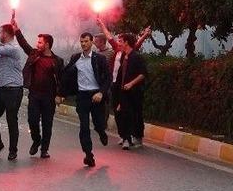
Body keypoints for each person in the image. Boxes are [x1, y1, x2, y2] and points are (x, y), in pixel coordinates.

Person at [12, 20, 65, 158]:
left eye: (40, 42)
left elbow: (62, 80)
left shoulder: (57, 61)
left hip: (49, 97)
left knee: (47, 124)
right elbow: (24, 44)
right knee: (32, 120)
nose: (37, 44)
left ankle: (44, 149)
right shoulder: (34, 54)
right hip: (34, 95)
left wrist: (60, 95)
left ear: (47, 45)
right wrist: (16, 30)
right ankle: (36, 140)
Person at [61, 32, 111, 168]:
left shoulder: (99, 59)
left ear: (91, 42)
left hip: (96, 96)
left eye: (86, 41)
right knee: (84, 126)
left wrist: (101, 92)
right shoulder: (76, 58)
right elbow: (66, 76)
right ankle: (88, 155)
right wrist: (61, 94)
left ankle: (102, 132)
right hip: (82, 96)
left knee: (98, 123)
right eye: (81, 41)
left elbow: (108, 78)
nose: (83, 44)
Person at [0, 23, 25, 160]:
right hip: (0, 88)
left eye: (1, 32)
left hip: (13, 89)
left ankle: (13, 150)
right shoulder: (2, 48)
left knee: (11, 120)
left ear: (6, 33)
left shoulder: (13, 48)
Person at [114, 33, 148, 150]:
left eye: (121, 41)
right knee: (124, 114)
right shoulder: (124, 56)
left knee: (136, 114)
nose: (119, 43)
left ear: (126, 42)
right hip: (123, 91)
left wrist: (131, 83)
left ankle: (137, 136)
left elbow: (143, 74)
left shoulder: (137, 57)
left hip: (135, 92)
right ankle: (126, 138)